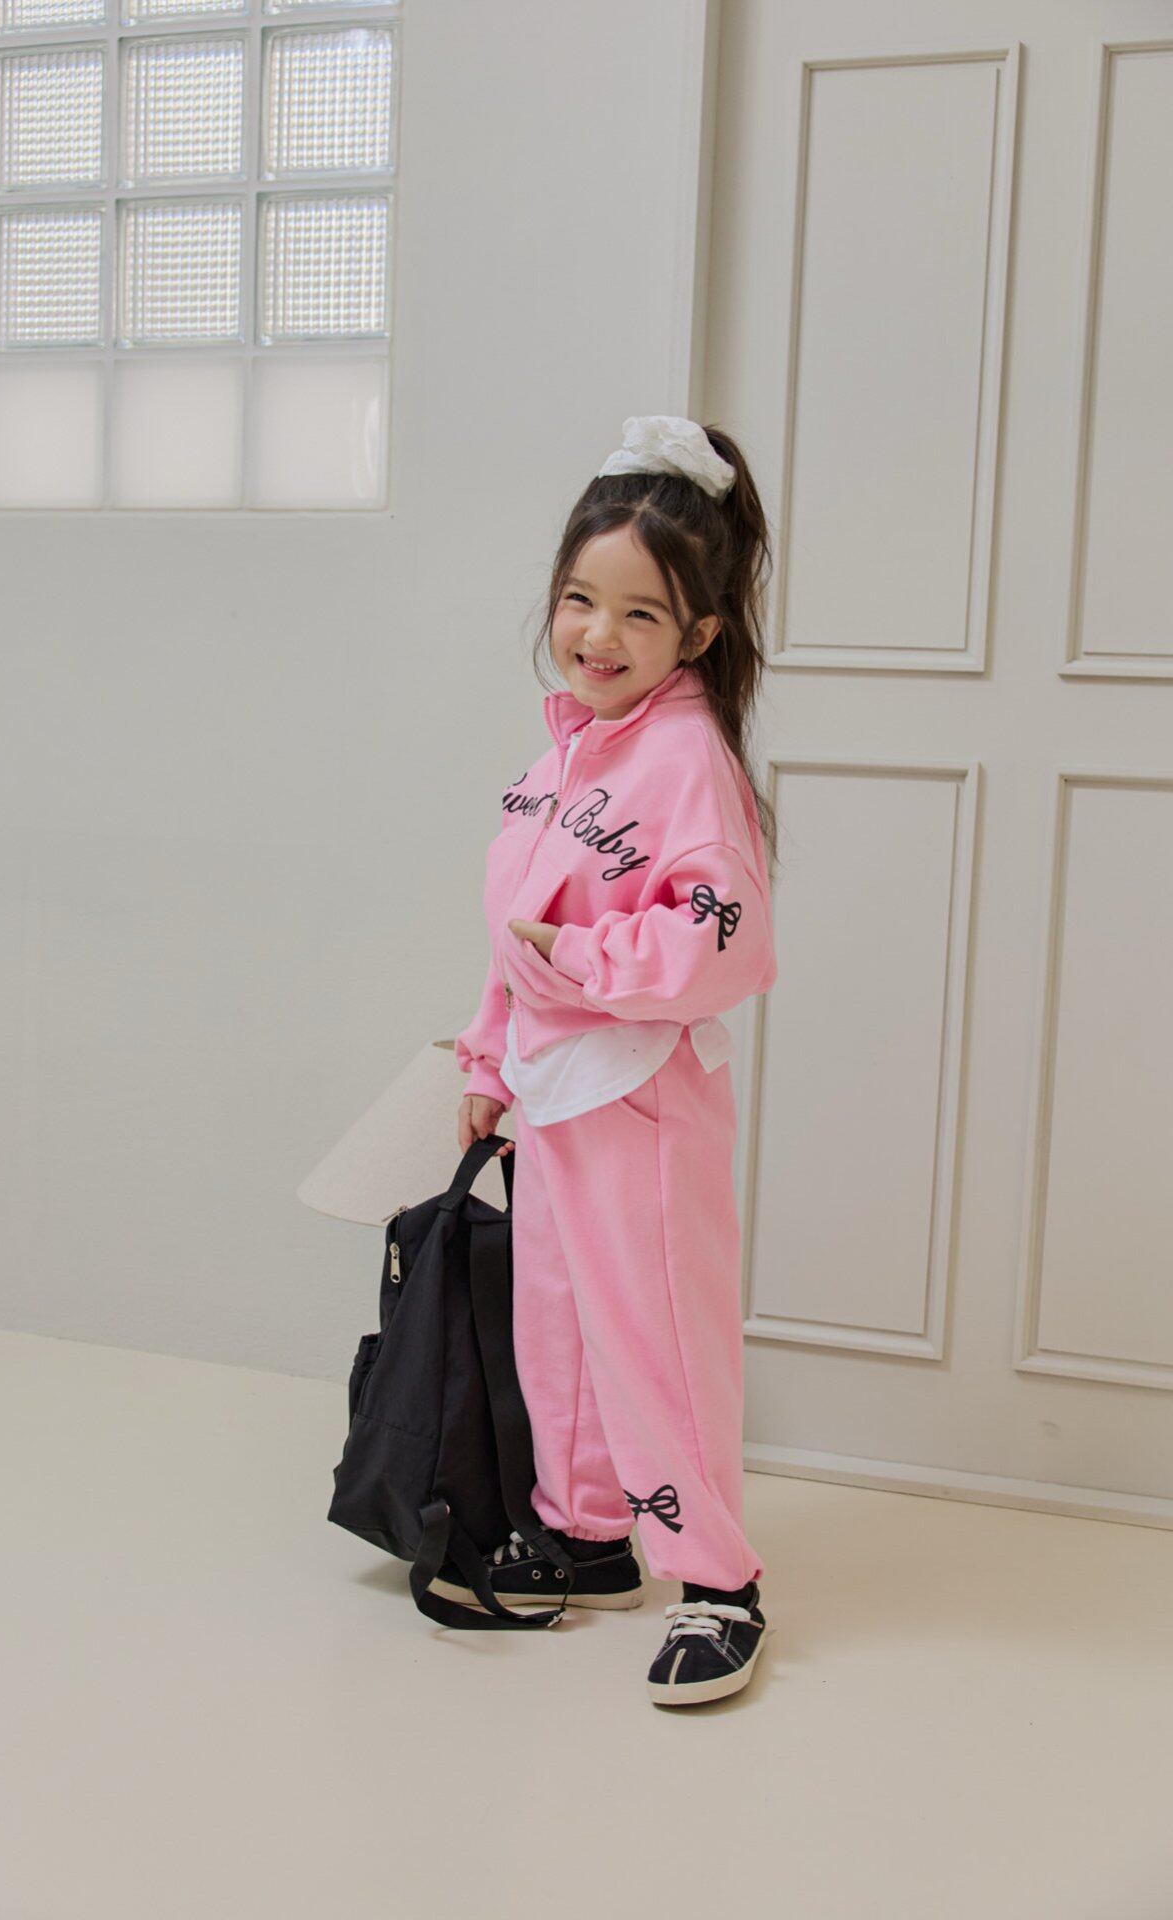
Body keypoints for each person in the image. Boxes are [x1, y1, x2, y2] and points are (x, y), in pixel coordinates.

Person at [441, 415, 779, 1709]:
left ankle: (720, 1584)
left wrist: (579, 965)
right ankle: (583, 1534)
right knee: (561, 1327)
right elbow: (514, 921)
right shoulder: (566, 750)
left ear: (698, 635)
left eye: (641, 614)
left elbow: (722, 935)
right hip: (554, 1092)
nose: (599, 634)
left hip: (640, 1095)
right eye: (581, 599)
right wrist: (489, 1056)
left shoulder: (685, 758)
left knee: (658, 1344)